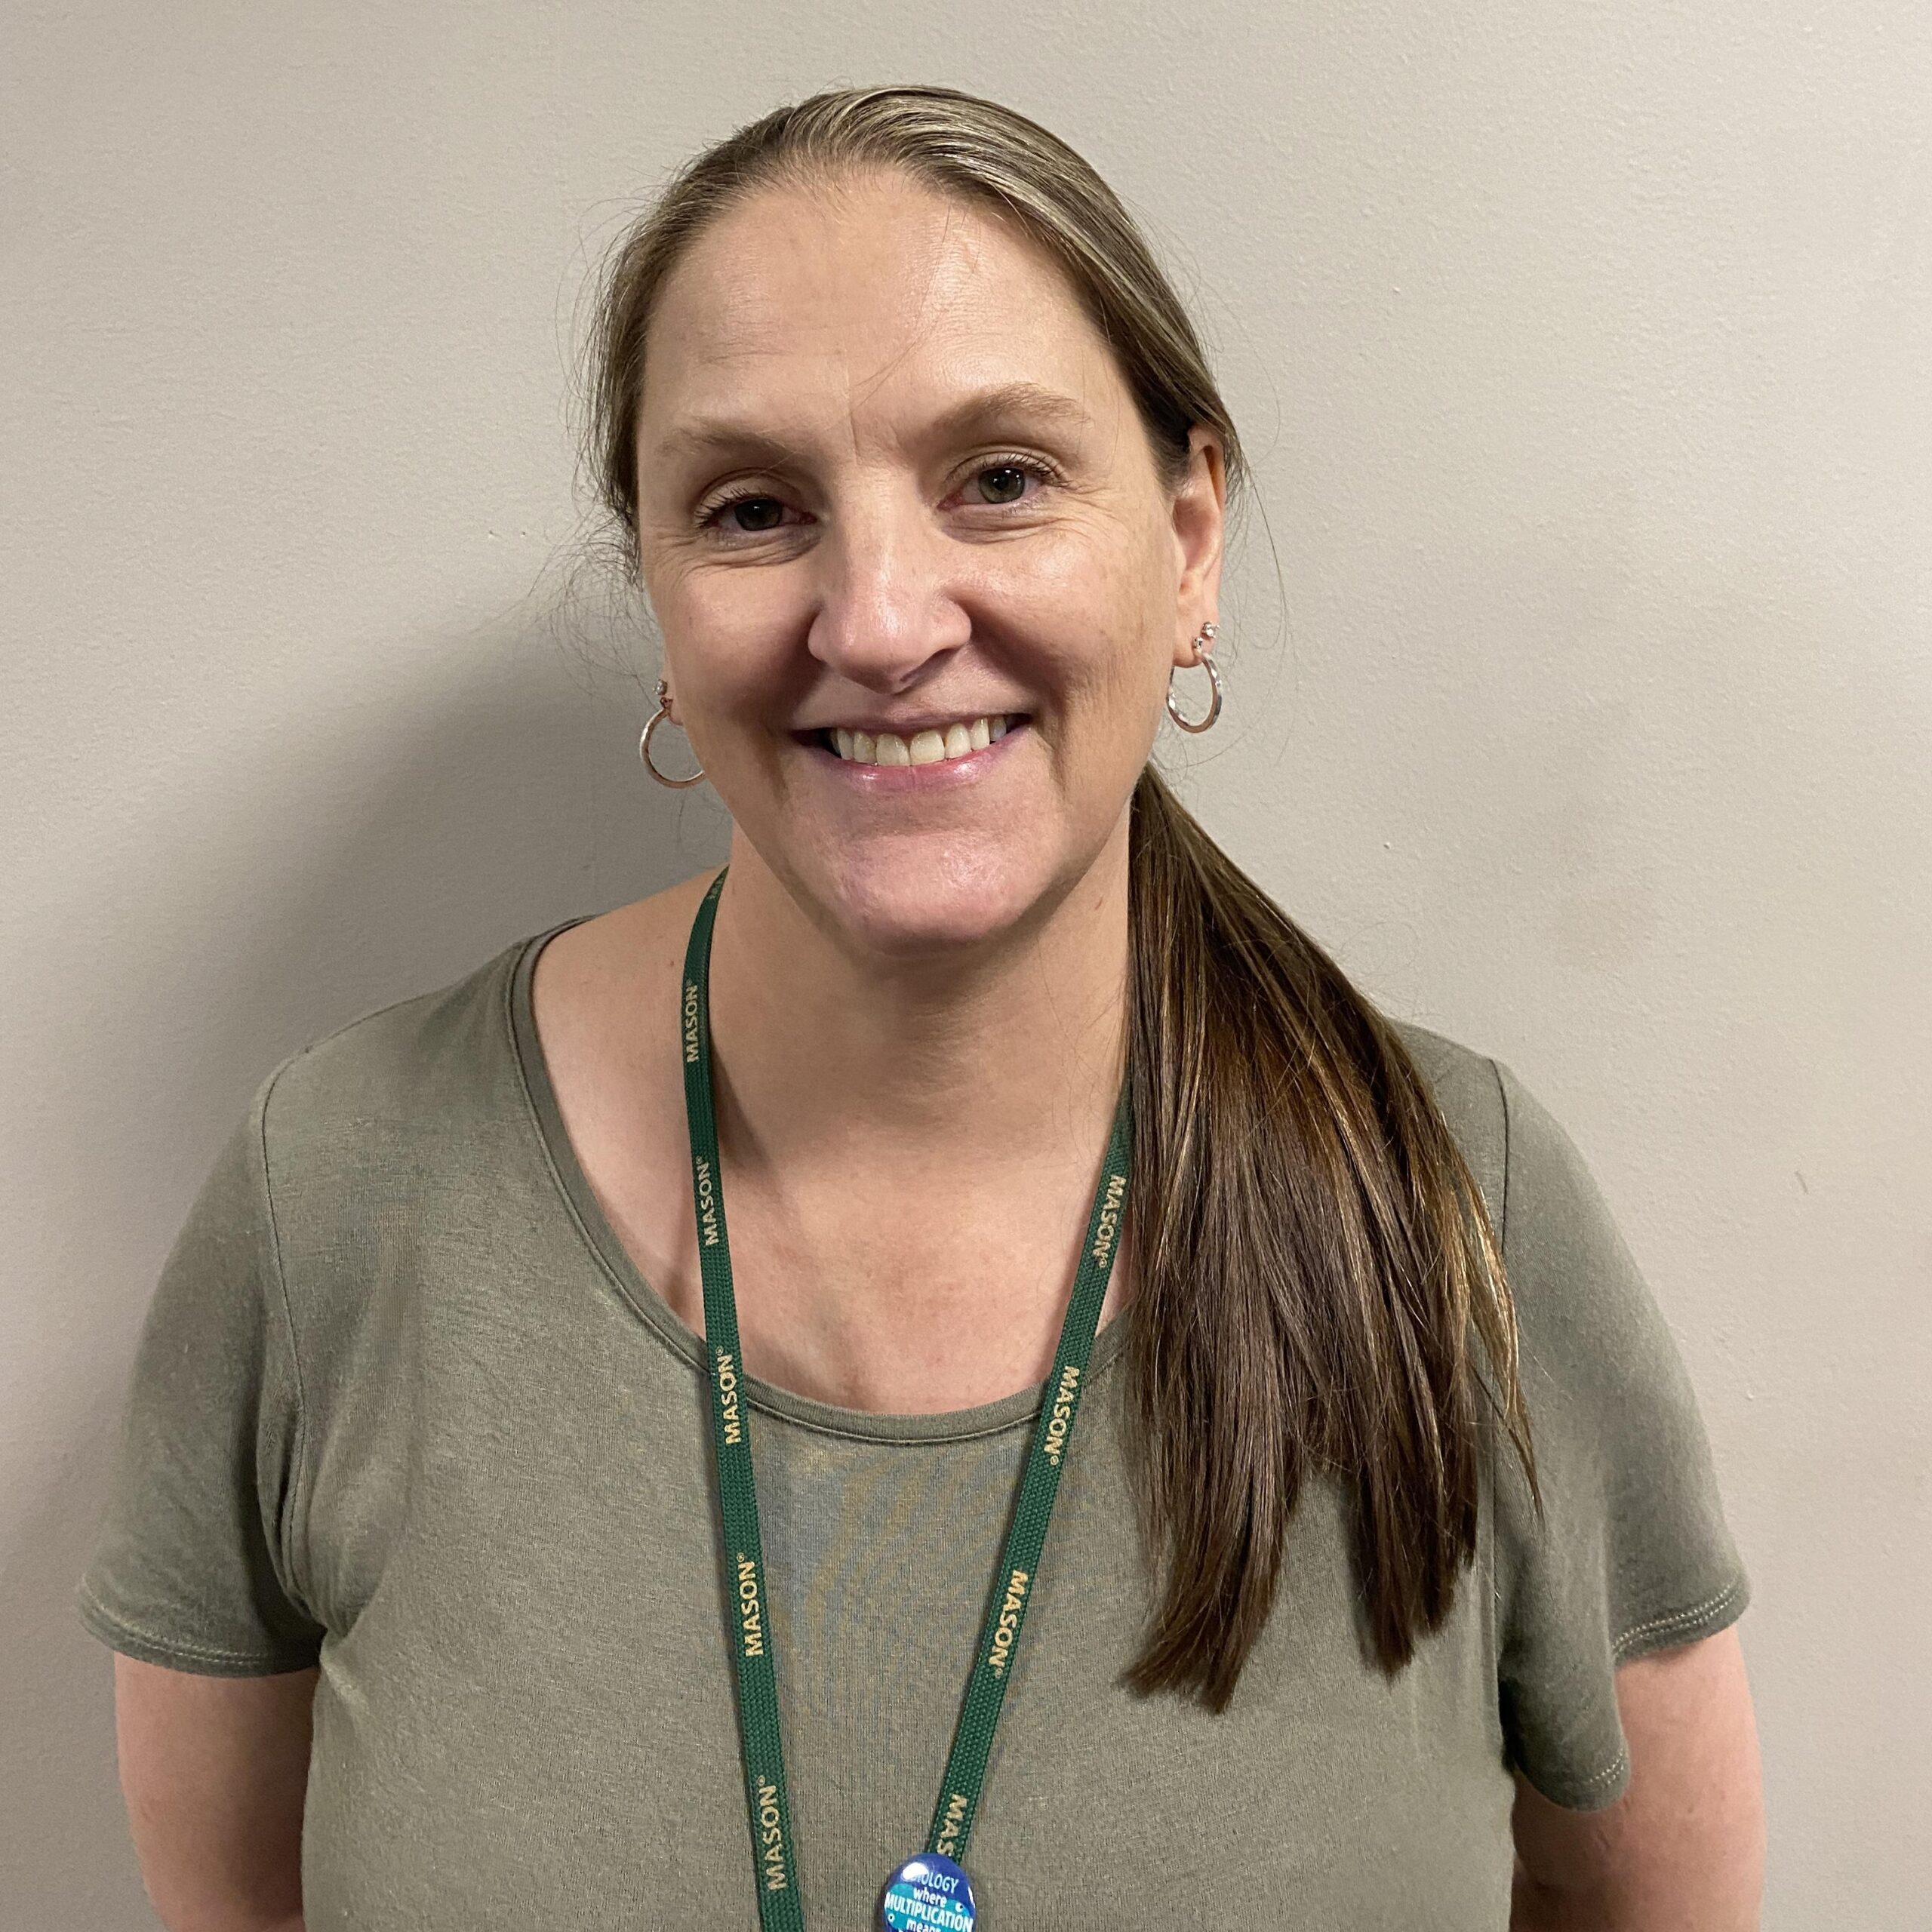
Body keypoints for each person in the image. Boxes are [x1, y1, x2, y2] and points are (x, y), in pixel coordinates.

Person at [79, 85, 1762, 1931]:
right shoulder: (338, 1196)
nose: (879, 620)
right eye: (752, 508)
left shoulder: (1461, 1216)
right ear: (655, 594)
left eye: (1001, 478)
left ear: (1187, 538)